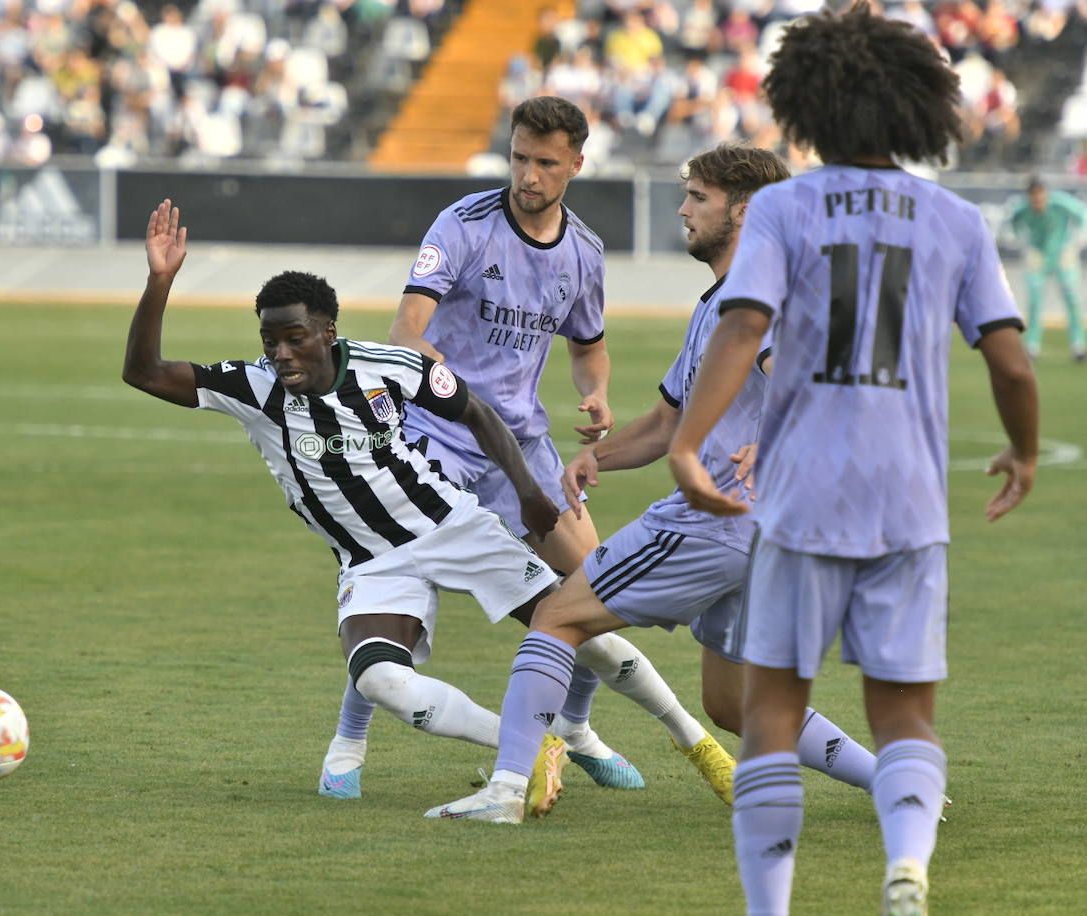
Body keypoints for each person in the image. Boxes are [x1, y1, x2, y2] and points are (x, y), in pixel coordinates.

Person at [665, 7, 1039, 914]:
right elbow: (1010, 358)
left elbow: (745, 323)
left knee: (770, 713)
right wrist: (1024, 451)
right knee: (905, 715)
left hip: (799, 497)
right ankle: (906, 867)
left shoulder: (785, 206)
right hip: (907, 497)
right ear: (919, 106)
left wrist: (685, 443)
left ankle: (771, 906)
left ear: (808, 105)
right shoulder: (953, 217)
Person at [423, 141, 879, 824]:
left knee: (557, 616)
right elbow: (670, 420)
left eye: (699, 197)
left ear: (746, 210)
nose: (684, 209)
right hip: (767, 536)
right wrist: (593, 459)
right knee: (733, 703)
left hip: (713, 521)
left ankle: (505, 792)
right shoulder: (722, 301)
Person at [320, 96, 734, 804]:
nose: (528, 175)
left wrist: (596, 393)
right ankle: (349, 739)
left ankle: (573, 728)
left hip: (527, 448)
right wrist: (454, 394)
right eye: (519, 157)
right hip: (435, 439)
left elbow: (588, 349)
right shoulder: (464, 226)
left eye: (545, 162)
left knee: (595, 590)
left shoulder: (584, 253)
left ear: (576, 163)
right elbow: (404, 332)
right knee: (394, 588)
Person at [124, 199, 586, 819]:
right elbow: (143, 372)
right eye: (270, 340)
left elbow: (475, 409)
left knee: (578, 618)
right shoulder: (254, 387)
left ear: (326, 334)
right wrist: (159, 283)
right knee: (379, 678)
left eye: (293, 338)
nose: (281, 353)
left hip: (449, 523)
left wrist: (529, 487)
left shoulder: (383, 365)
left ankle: (683, 741)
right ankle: (529, 746)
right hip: (369, 562)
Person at [1008, 177, 1087, 361]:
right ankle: (1032, 345)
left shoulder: (1060, 203)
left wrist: (1074, 244)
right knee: (1035, 299)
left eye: (1040, 196)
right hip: (1039, 256)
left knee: (1072, 297)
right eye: (1033, 198)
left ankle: (1078, 344)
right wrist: (1026, 247)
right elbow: (1013, 226)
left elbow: (1083, 215)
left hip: (1062, 254)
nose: (1038, 202)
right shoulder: (1022, 209)